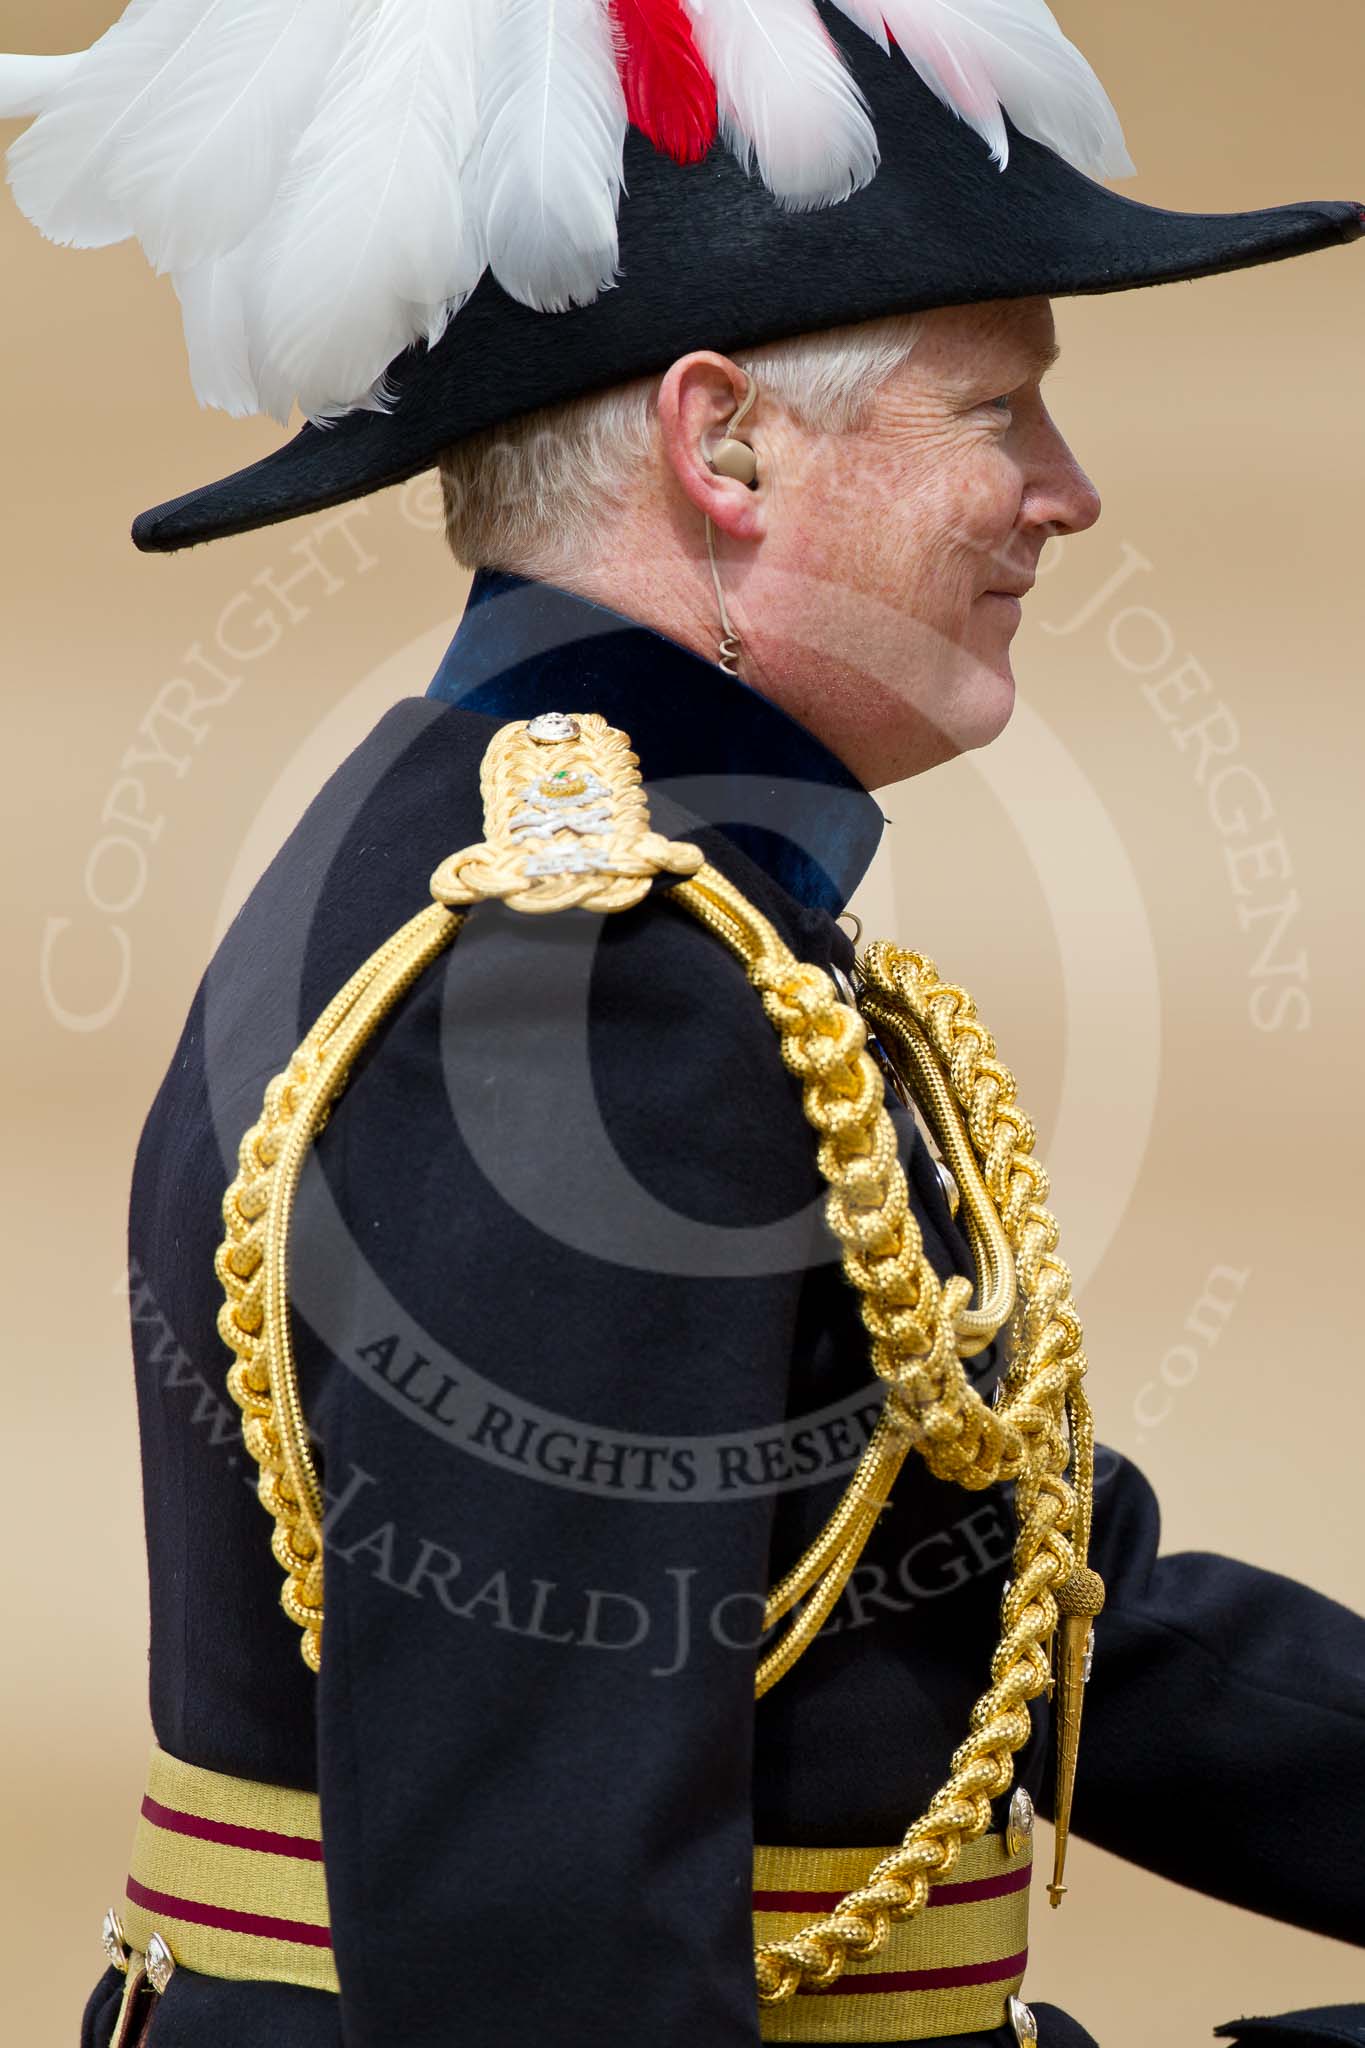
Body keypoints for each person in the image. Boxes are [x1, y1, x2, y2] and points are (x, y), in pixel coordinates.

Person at [3, 6, 1361, 2046]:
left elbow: (1017, 1603)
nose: (1061, 495)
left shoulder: (580, 884)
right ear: (719, 441)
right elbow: (535, 1956)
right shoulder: (586, 979)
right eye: (997, 412)